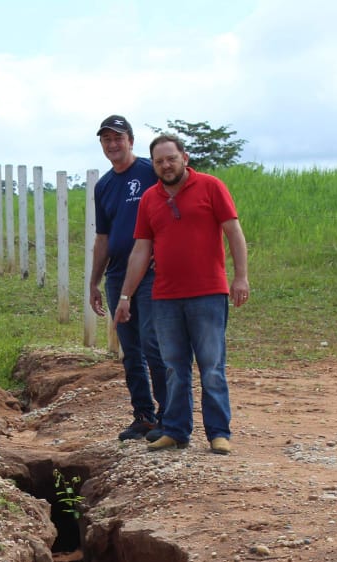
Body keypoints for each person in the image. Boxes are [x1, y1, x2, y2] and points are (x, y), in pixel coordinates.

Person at [113, 133, 250, 455]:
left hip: (208, 294)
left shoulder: (211, 187)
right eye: (159, 161)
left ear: (184, 158)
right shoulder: (149, 198)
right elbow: (141, 250)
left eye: (171, 159)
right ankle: (175, 431)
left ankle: (219, 433)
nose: (165, 165)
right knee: (174, 367)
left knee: (211, 366)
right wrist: (125, 296)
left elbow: (233, 231)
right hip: (164, 297)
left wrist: (241, 278)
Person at [87, 115, 167, 441]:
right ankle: (143, 415)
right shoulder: (104, 186)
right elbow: (103, 238)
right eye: (106, 139)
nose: (113, 144)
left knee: (153, 343)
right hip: (117, 274)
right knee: (130, 349)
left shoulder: (150, 171)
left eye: (118, 138)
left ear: (130, 140)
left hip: (150, 272)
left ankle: (169, 416)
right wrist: (94, 281)